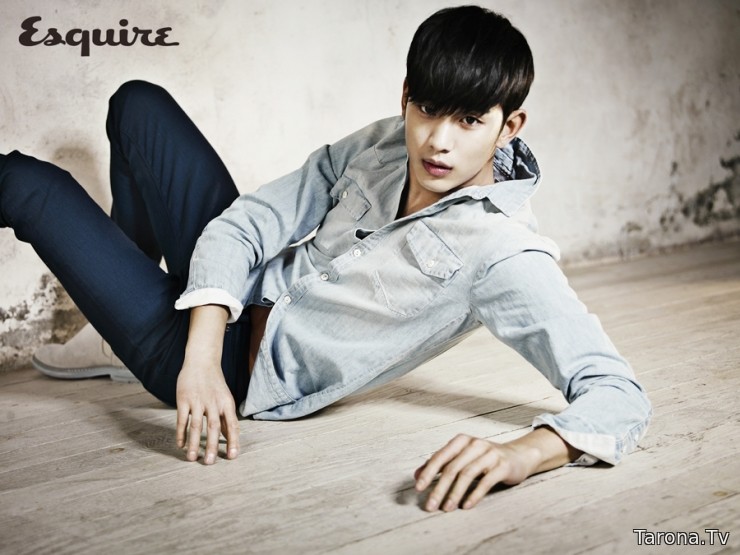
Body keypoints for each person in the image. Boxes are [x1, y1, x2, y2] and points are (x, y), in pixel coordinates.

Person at [0, 5, 651, 512]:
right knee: (137, 103)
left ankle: (133, 320)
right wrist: (203, 347)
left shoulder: (503, 251)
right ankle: (116, 322)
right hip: (222, 311)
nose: (438, 141)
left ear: (509, 126)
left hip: (237, 371)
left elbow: (617, 393)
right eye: (427, 109)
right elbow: (250, 222)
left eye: (469, 121)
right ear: (406, 95)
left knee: (28, 185)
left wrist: (524, 454)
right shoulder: (384, 144)